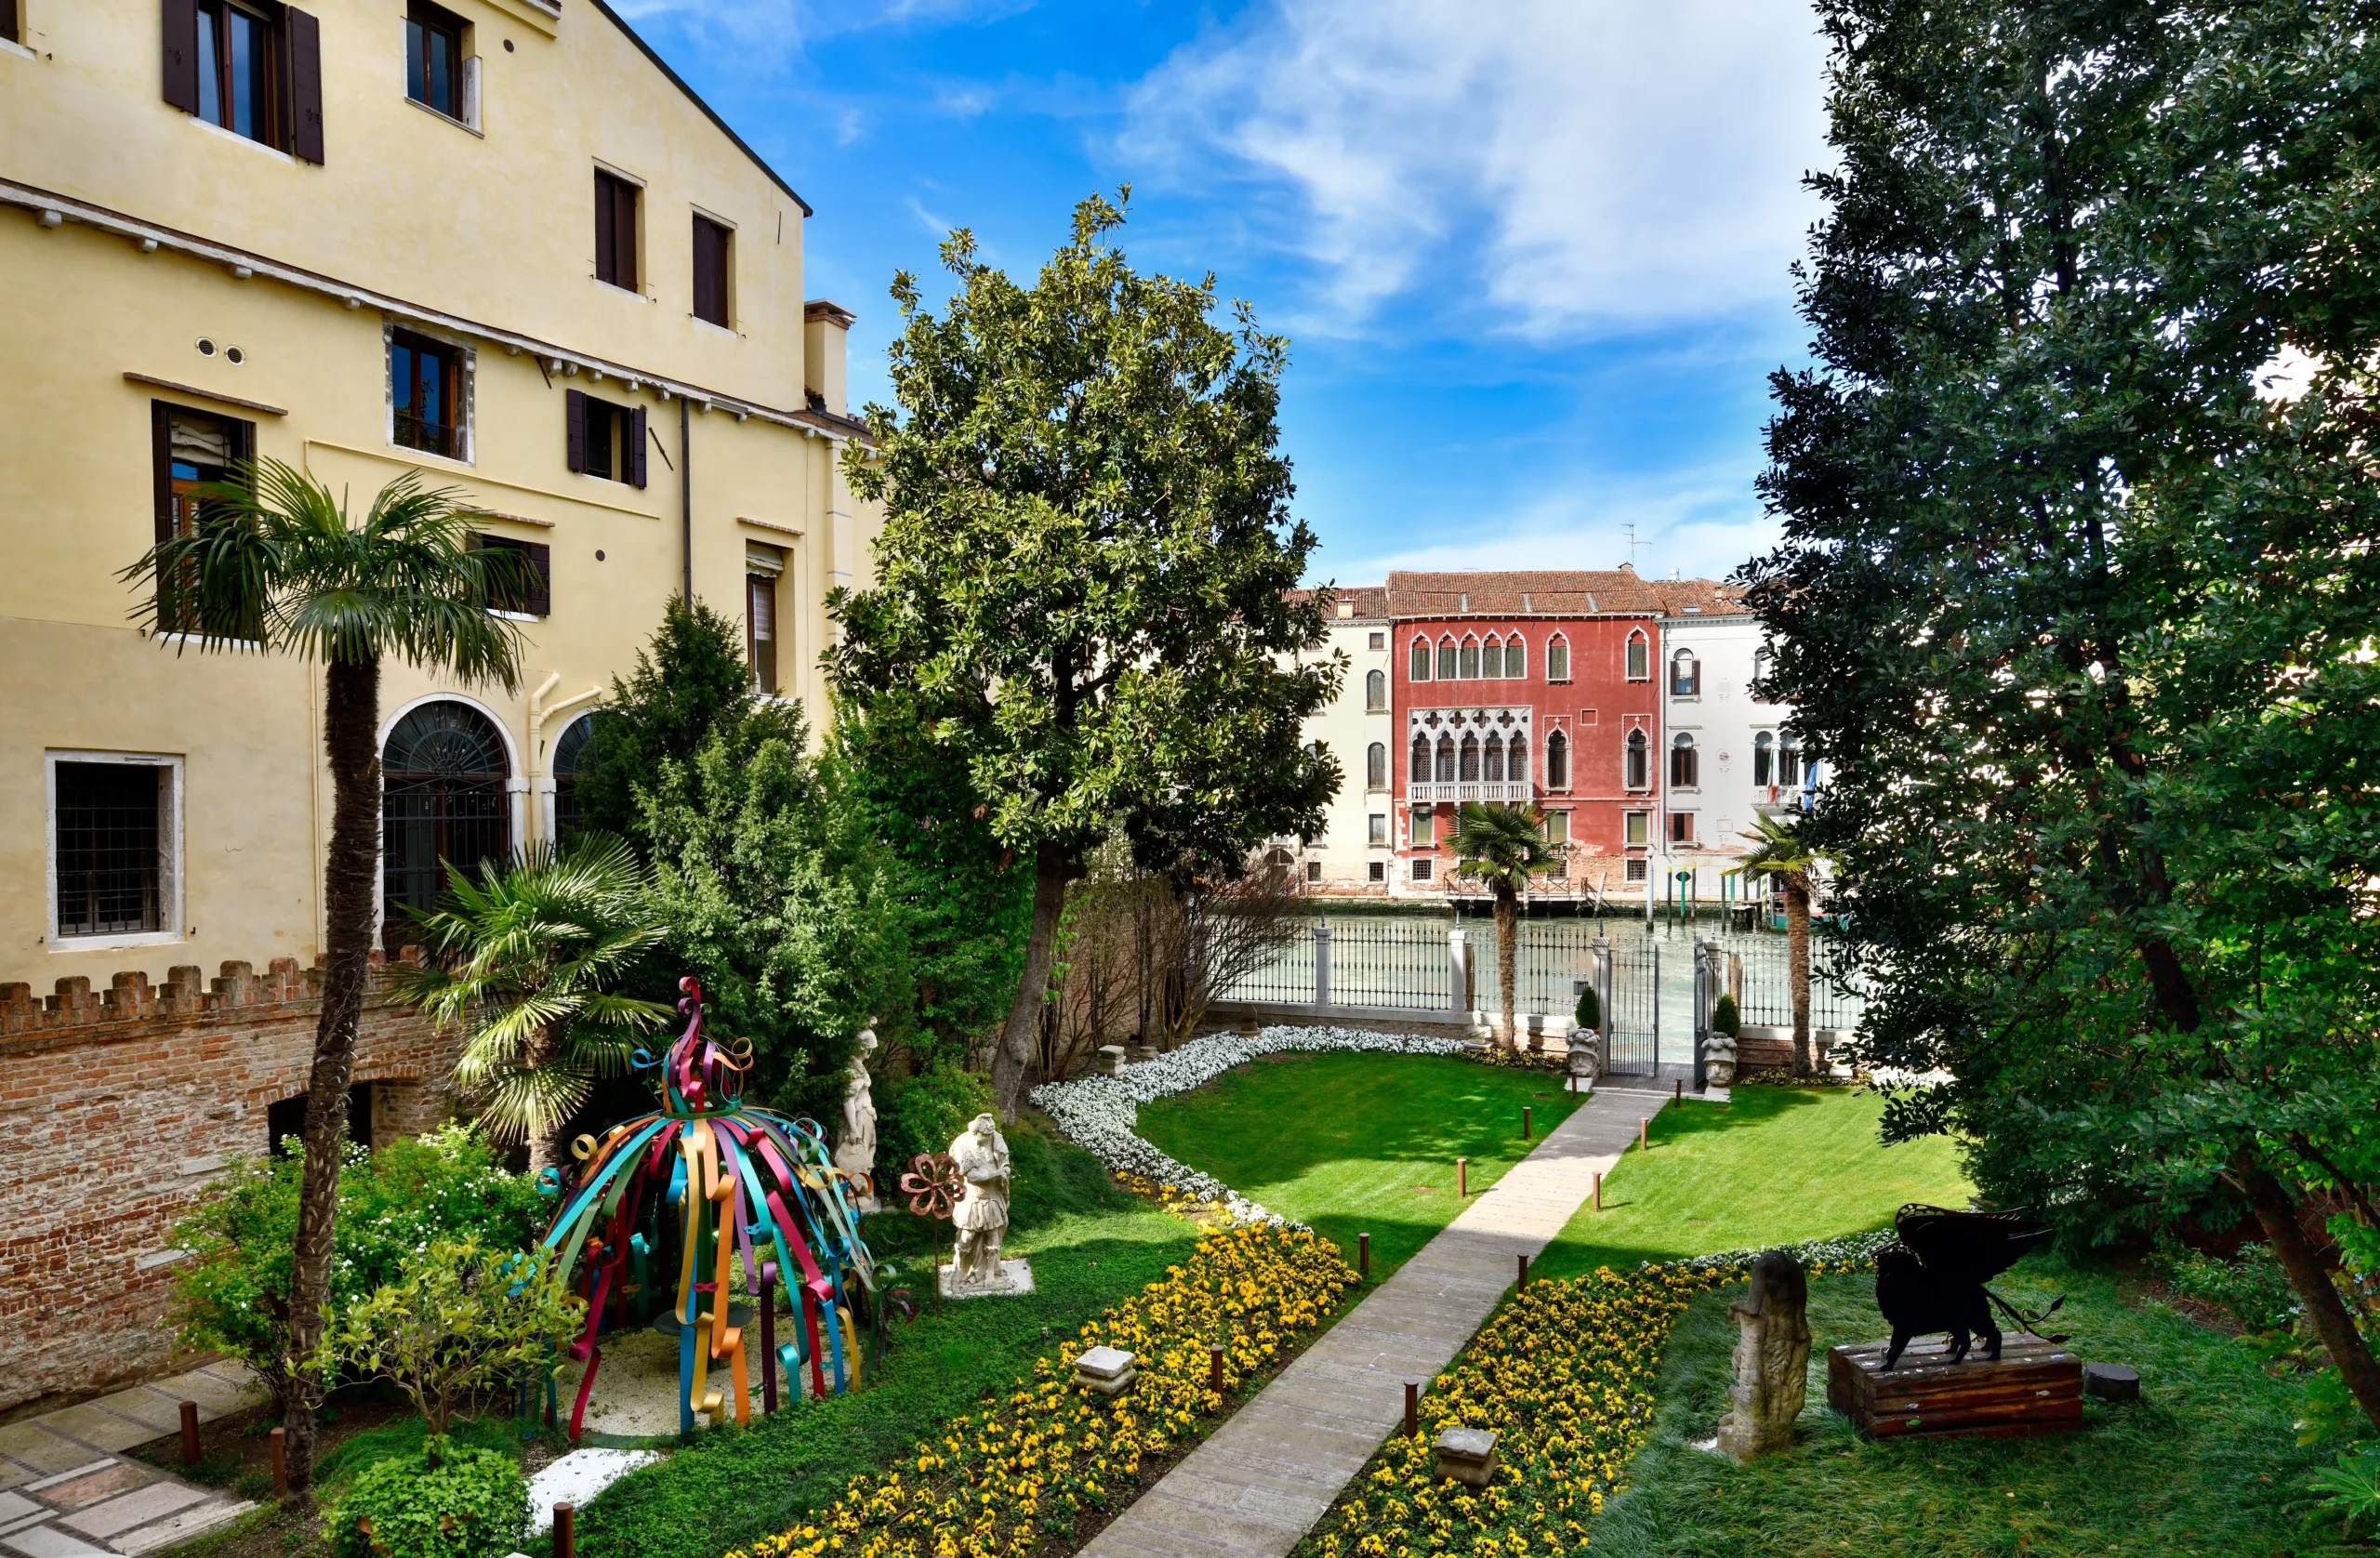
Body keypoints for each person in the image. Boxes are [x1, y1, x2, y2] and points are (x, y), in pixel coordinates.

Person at [948, 1112, 1012, 1285]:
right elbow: (972, 1176)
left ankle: (990, 1272)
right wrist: (995, 1173)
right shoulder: (963, 1145)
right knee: (967, 1235)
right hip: (973, 1197)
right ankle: (958, 1268)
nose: (988, 1138)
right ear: (976, 1132)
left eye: (990, 1134)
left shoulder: (996, 1139)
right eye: (985, 1135)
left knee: (993, 1233)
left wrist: (1004, 1171)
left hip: (992, 1195)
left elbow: (1005, 1163)